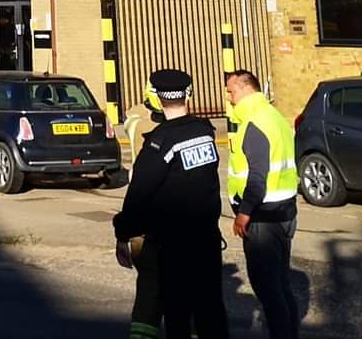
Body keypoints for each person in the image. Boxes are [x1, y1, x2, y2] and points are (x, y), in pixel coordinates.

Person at [112, 68, 228, 338]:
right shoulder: (204, 131)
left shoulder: (159, 143)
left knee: (177, 313)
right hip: (207, 240)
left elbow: (139, 196)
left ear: (156, 97)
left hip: (173, 245)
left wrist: (123, 233)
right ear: (188, 94)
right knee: (210, 309)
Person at [225, 69, 300, 339]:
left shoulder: (254, 123)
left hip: (262, 219)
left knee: (268, 288)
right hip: (285, 212)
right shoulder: (274, 116)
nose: (230, 99)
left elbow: (257, 176)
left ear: (246, 89)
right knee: (281, 284)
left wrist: (243, 214)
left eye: (231, 92)